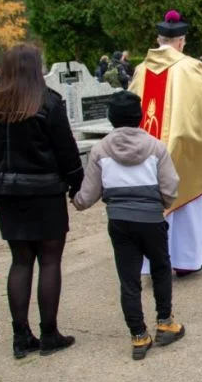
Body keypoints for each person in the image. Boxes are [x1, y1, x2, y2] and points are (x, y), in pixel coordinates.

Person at [0, 44, 84, 359]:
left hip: (7, 193)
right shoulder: (47, 103)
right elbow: (66, 149)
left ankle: (20, 334)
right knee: (50, 261)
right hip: (44, 191)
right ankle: (49, 332)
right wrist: (76, 181)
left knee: (21, 261)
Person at [73, 91, 185, 359]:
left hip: (119, 221)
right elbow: (171, 186)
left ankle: (138, 336)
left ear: (111, 119)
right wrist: (161, 202)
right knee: (160, 269)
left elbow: (87, 196)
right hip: (151, 218)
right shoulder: (156, 147)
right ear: (140, 118)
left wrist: (76, 200)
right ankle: (165, 323)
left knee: (128, 278)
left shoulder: (100, 150)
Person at [127, 10, 202, 277]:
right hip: (182, 148)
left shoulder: (141, 69)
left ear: (159, 40)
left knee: (152, 202)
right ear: (181, 41)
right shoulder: (189, 67)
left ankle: (152, 262)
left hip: (146, 152)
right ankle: (186, 261)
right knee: (186, 205)